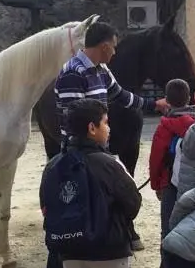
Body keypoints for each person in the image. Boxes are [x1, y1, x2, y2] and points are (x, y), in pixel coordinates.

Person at [53, 20, 168, 251]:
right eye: (113, 47)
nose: (115, 52)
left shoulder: (101, 70)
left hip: (97, 149)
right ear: (104, 46)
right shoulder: (72, 73)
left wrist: (155, 104)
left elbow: (122, 96)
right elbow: (75, 122)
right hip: (79, 154)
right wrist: (94, 153)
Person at [43, 99, 141, 268]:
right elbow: (133, 204)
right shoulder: (110, 164)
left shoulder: (52, 166)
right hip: (109, 252)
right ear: (92, 128)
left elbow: (46, 207)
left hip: (67, 252)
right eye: (105, 123)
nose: (109, 128)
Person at [149, 78, 195, 262]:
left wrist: (156, 185)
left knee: (169, 229)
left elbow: (156, 159)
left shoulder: (164, 127)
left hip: (170, 184)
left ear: (167, 100)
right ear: (188, 99)